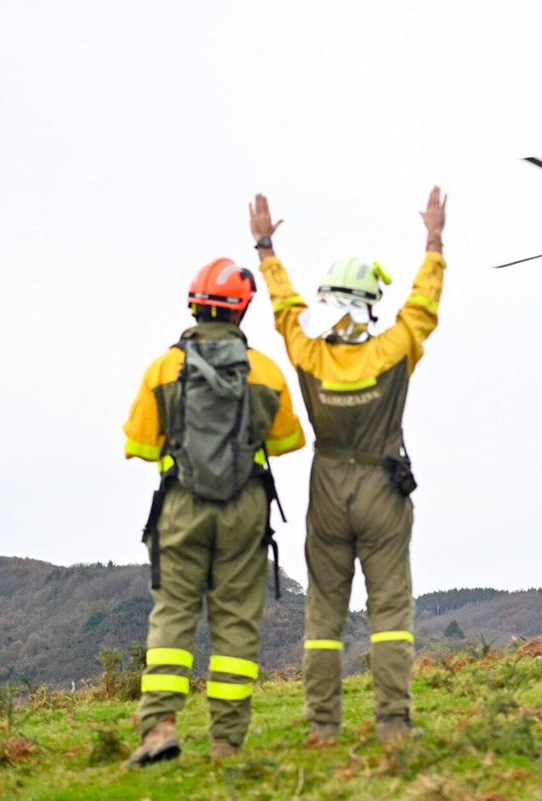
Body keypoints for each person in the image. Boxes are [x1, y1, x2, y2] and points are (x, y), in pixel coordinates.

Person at [248, 187, 446, 745]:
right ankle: (393, 725)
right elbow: (423, 307)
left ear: (329, 301)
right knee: (389, 611)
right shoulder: (395, 350)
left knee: (324, 616)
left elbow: (285, 311)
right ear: (370, 302)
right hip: (384, 486)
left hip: (328, 488)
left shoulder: (308, 354)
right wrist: (433, 241)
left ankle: (322, 727)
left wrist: (265, 249)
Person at [121, 258, 305, 766]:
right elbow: (289, 439)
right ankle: (226, 742)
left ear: (194, 304)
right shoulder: (265, 371)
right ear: (243, 310)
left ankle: (159, 729)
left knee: (174, 614)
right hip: (245, 506)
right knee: (237, 621)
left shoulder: (163, 369)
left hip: (181, 504)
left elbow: (138, 443)